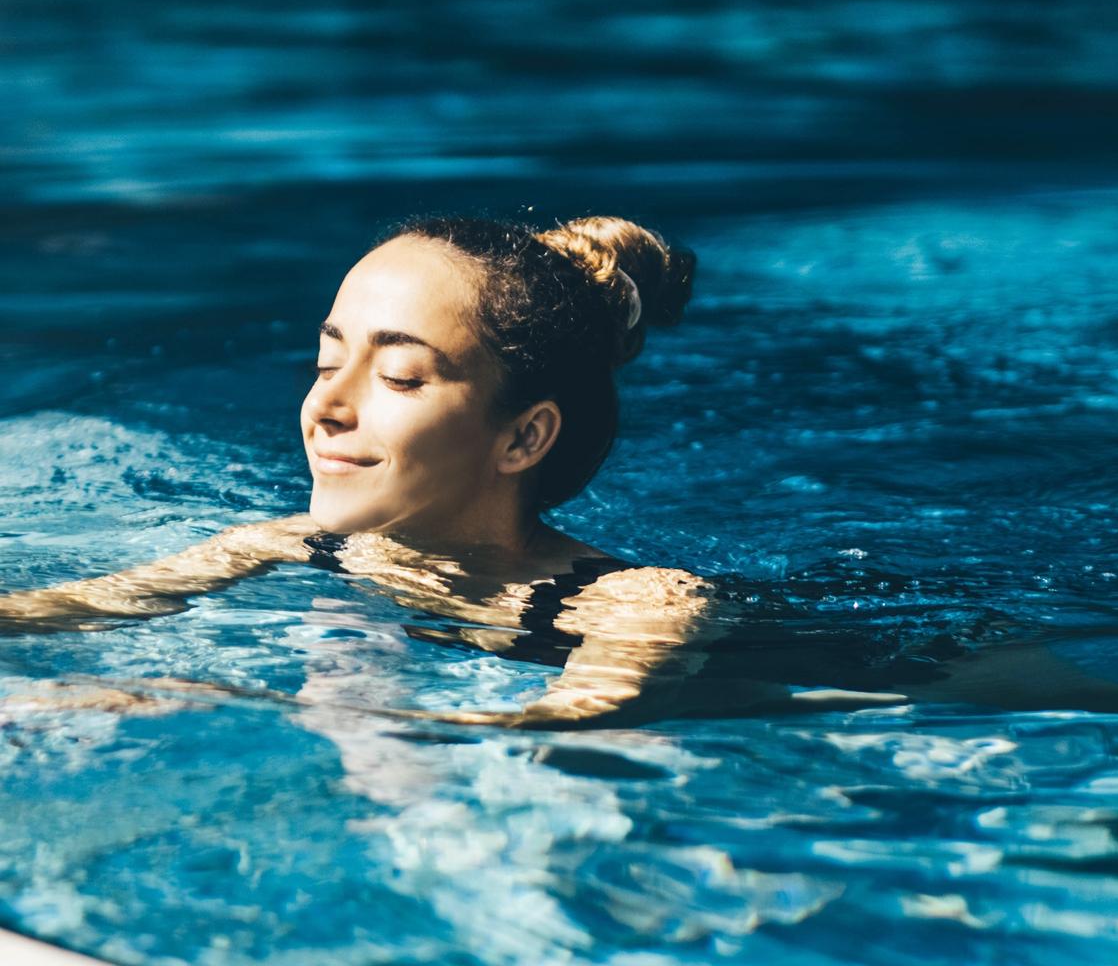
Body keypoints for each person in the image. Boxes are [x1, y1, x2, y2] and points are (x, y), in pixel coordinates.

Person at [0, 210, 913, 729]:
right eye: (326, 362)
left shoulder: (643, 605)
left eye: (400, 374)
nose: (328, 405)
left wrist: (202, 698)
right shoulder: (296, 545)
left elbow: (554, 731)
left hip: (925, 671)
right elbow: (61, 613)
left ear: (522, 439)